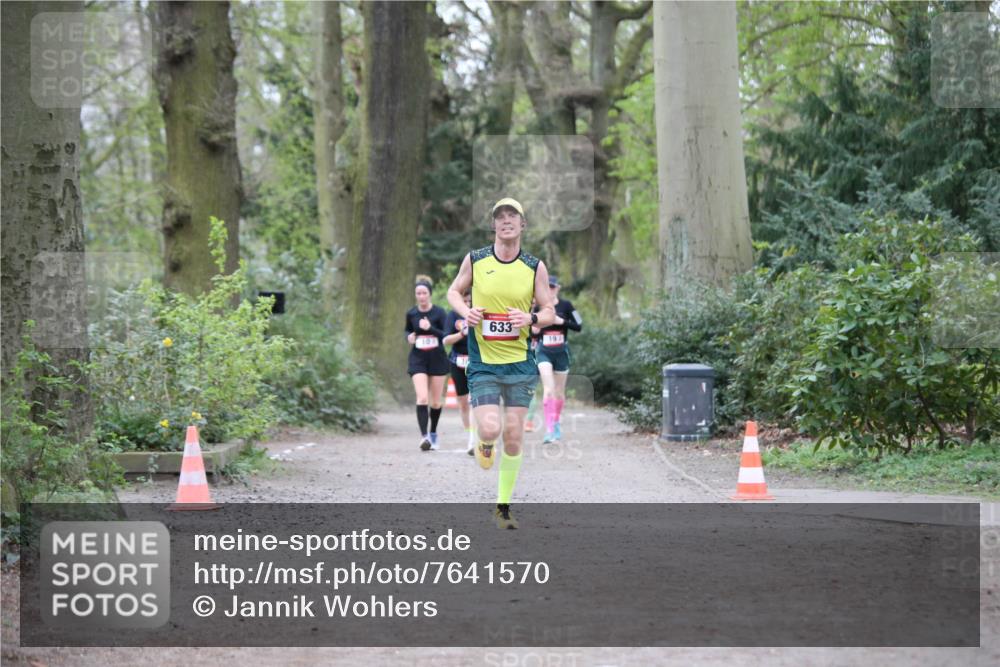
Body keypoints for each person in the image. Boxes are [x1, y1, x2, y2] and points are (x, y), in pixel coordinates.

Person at [447, 197, 555, 529]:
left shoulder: (534, 266)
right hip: (483, 364)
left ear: (522, 225)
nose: (506, 220)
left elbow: (550, 313)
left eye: (513, 216)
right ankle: (483, 440)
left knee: (513, 436)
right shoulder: (476, 260)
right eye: (500, 217)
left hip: (520, 364)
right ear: (493, 225)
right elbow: (453, 292)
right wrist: (467, 313)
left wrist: (531, 317)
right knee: (491, 428)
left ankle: (502, 507)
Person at [530, 275, 582, 443]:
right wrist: (534, 330)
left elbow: (579, 326)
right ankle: (549, 430)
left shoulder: (567, 305)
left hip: (561, 353)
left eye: (553, 287)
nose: (550, 290)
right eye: (547, 287)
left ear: (558, 288)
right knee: (549, 389)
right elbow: (531, 331)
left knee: (559, 392)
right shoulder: (538, 307)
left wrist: (562, 321)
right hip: (544, 351)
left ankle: (556, 422)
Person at [405, 275, 450, 451]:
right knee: (422, 397)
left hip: (437, 359)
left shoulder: (439, 313)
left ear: (429, 294)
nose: (421, 296)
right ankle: (424, 437)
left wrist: (429, 328)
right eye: (418, 293)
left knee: (436, 401)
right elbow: (407, 330)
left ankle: (433, 433)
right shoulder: (412, 313)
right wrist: (408, 336)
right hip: (418, 359)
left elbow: (445, 335)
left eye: (424, 293)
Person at [442, 291, 477, 454]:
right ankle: (470, 434)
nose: (467, 304)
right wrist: (461, 333)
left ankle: (473, 441)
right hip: (457, 361)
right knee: (463, 403)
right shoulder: (453, 315)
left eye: (470, 300)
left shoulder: (479, 314)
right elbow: (445, 340)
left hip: (476, 362)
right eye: (464, 301)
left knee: (474, 401)